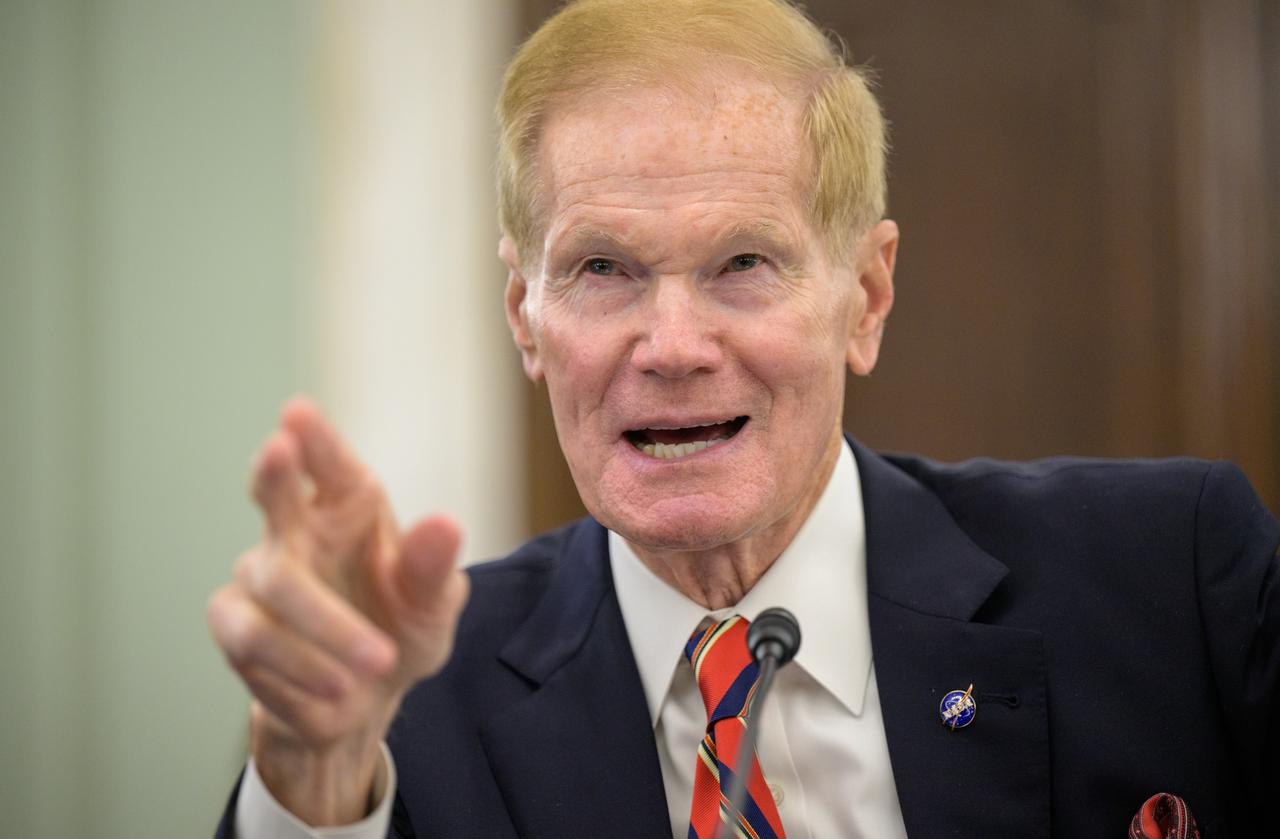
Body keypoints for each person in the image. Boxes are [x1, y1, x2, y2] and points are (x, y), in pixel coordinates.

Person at [208, 0, 1280, 836]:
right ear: (523, 319)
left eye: (742, 264)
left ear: (864, 295)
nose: (671, 345)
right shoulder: (404, 712)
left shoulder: (1170, 579)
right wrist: (308, 776)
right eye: (601, 268)